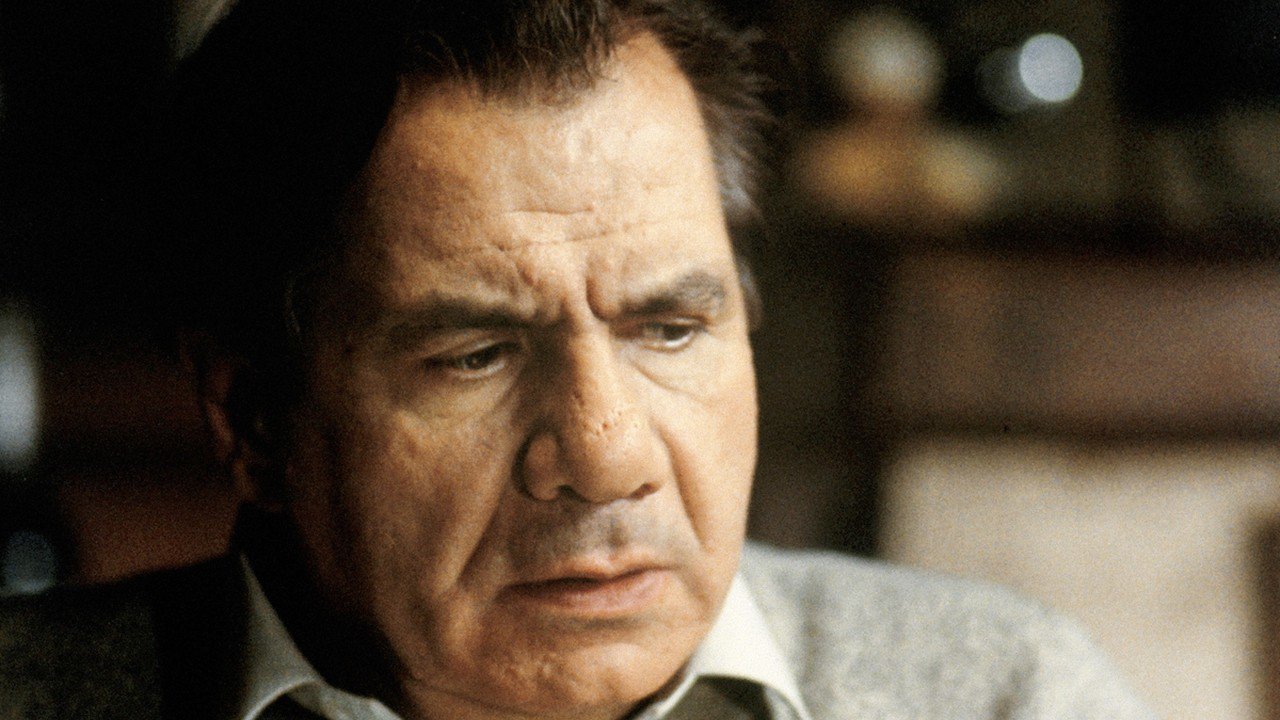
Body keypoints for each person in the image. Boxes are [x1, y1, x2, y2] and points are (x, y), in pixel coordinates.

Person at [0, 1, 1155, 719]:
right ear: (252, 418)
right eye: (474, 356)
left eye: (669, 329)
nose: (604, 459)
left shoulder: (1002, 693)